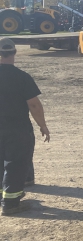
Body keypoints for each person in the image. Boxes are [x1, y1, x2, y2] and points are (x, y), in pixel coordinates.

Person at [0, 37, 50, 215]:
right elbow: (34, 105)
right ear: (14, 52)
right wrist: (42, 126)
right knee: (16, 163)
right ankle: (11, 204)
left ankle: (5, 196)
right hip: (17, 128)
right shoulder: (22, 77)